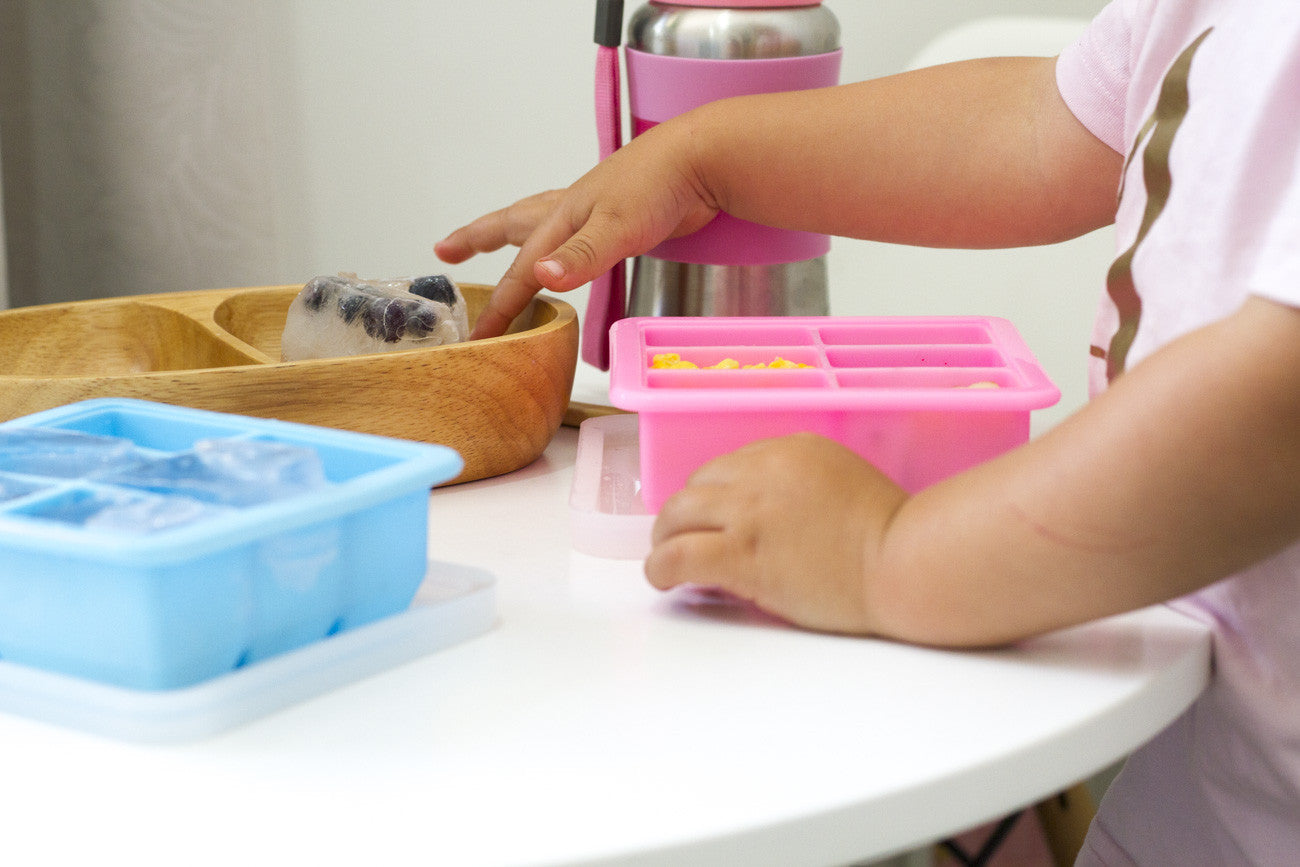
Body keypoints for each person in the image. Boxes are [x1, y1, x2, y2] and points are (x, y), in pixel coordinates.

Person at [436, 1, 1300, 862]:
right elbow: (1046, 129)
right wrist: (702, 159)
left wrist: (886, 555)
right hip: (1200, 792)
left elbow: (1275, 401)